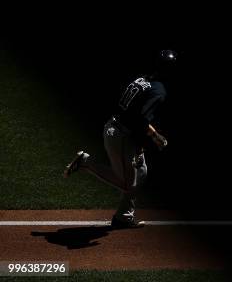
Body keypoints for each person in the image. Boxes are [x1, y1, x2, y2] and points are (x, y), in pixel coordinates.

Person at [63, 49, 177, 228]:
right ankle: (86, 162)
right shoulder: (159, 91)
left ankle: (124, 216)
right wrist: (142, 144)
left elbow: (132, 112)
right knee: (127, 184)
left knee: (141, 173)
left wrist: (153, 136)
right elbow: (141, 120)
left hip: (116, 127)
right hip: (122, 137)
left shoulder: (142, 79)